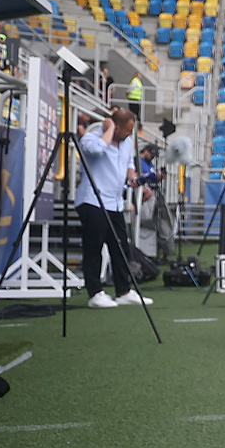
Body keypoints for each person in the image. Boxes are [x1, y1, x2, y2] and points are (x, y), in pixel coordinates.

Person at [77, 108, 151, 308]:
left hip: (115, 202)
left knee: (120, 247)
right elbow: (98, 150)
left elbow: (127, 162)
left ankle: (123, 290)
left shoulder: (126, 142)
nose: (129, 134)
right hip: (93, 200)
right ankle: (95, 292)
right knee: (94, 248)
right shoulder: (91, 139)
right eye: (126, 130)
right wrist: (108, 129)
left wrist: (133, 177)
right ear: (115, 126)